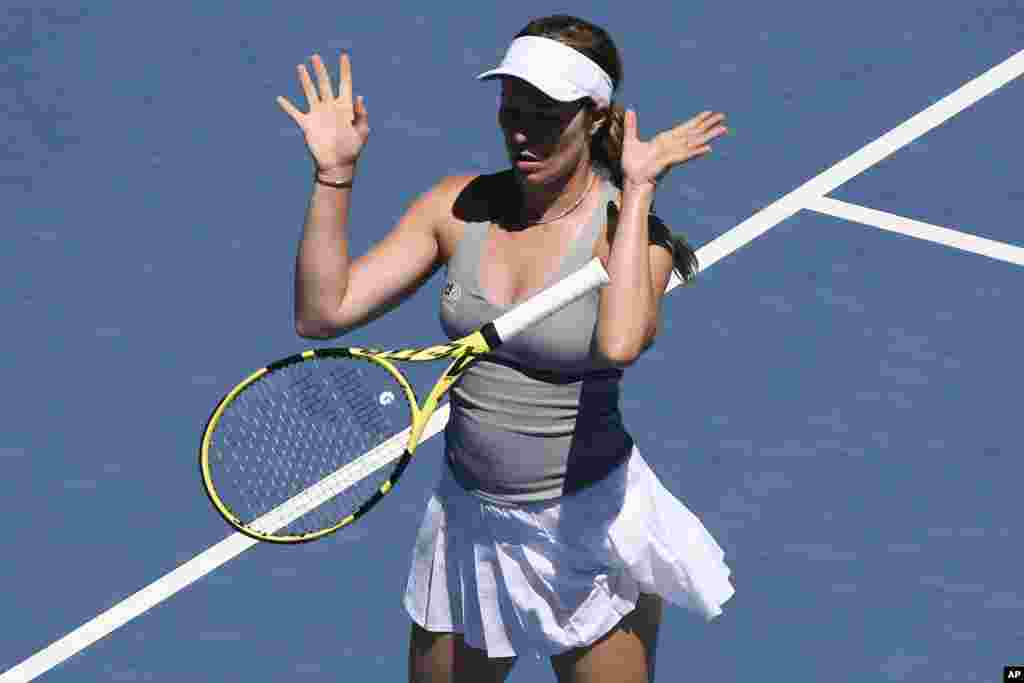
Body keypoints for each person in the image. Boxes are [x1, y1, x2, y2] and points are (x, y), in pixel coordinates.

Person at [278, 14, 734, 683]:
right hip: (468, 527)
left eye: (545, 115)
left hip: (584, 530)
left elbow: (619, 340)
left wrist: (637, 191)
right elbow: (323, 312)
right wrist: (334, 177)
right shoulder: (454, 208)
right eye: (512, 110)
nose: (522, 131)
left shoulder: (634, 238)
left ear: (594, 116)